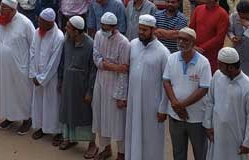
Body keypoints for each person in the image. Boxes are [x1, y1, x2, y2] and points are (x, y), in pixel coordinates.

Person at [124, 14, 170, 160]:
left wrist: (163, 108)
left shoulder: (163, 52)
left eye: (145, 30)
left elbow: (167, 83)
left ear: (153, 30)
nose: (141, 32)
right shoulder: (132, 45)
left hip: (152, 105)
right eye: (140, 29)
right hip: (133, 100)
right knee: (133, 133)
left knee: (152, 138)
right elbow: (126, 73)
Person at [163, 27, 211, 160]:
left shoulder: (203, 62)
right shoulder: (171, 58)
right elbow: (166, 81)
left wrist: (181, 105)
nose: (181, 42)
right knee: (178, 152)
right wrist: (175, 104)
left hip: (196, 117)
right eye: (179, 38)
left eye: (185, 40)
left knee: (200, 152)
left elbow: (203, 89)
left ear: (193, 42)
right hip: (175, 115)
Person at [203, 47, 249, 160]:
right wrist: (208, 125)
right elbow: (210, 101)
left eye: (220, 65)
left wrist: (247, 142)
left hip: (236, 136)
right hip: (217, 133)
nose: (218, 67)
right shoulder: (218, 75)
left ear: (231, 67)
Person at [89, 12, 130, 160]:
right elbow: (96, 58)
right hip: (101, 81)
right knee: (100, 116)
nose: (104, 29)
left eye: (107, 27)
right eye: (102, 26)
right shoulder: (99, 35)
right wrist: (113, 66)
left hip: (116, 84)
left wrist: (121, 96)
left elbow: (124, 71)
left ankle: (121, 152)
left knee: (118, 120)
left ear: (114, 27)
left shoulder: (124, 43)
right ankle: (106, 148)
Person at [0, 0, 35, 134]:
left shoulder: (25, 23)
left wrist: (32, 68)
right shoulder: (0, 20)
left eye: (4, 8)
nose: (1, 10)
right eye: (0, 6)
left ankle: (27, 119)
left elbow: (33, 46)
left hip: (20, 67)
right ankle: (10, 117)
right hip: (3, 66)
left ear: (12, 10)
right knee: (6, 91)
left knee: (22, 94)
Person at [57, 16, 96, 151]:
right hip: (68, 85)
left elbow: (93, 71)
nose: (65, 30)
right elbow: (62, 63)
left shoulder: (90, 44)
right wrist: (60, 81)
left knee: (85, 115)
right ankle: (69, 139)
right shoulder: (67, 41)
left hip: (82, 87)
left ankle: (92, 144)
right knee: (67, 111)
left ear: (77, 31)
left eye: (68, 28)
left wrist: (89, 92)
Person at [28, 8, 64, 143]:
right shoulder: (37, 32)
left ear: (50, 22)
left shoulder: (58, 37)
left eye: (42, 21)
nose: (39, 23)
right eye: (39, 20)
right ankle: (41, 128)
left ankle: (56, 131)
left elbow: (54, 62)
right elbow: (32, 52)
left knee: (52, 104)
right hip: (36, 75)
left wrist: (42, 79)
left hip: (50, 78)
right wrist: (33, 73)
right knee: (38, 103)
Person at [190, 0, 229, 72]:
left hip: (212, 55)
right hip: (195, 50)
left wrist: (201, 48)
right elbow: (191, 28)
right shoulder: (198, 9)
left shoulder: (222, 14)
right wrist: (193, 45)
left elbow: (219, 38)